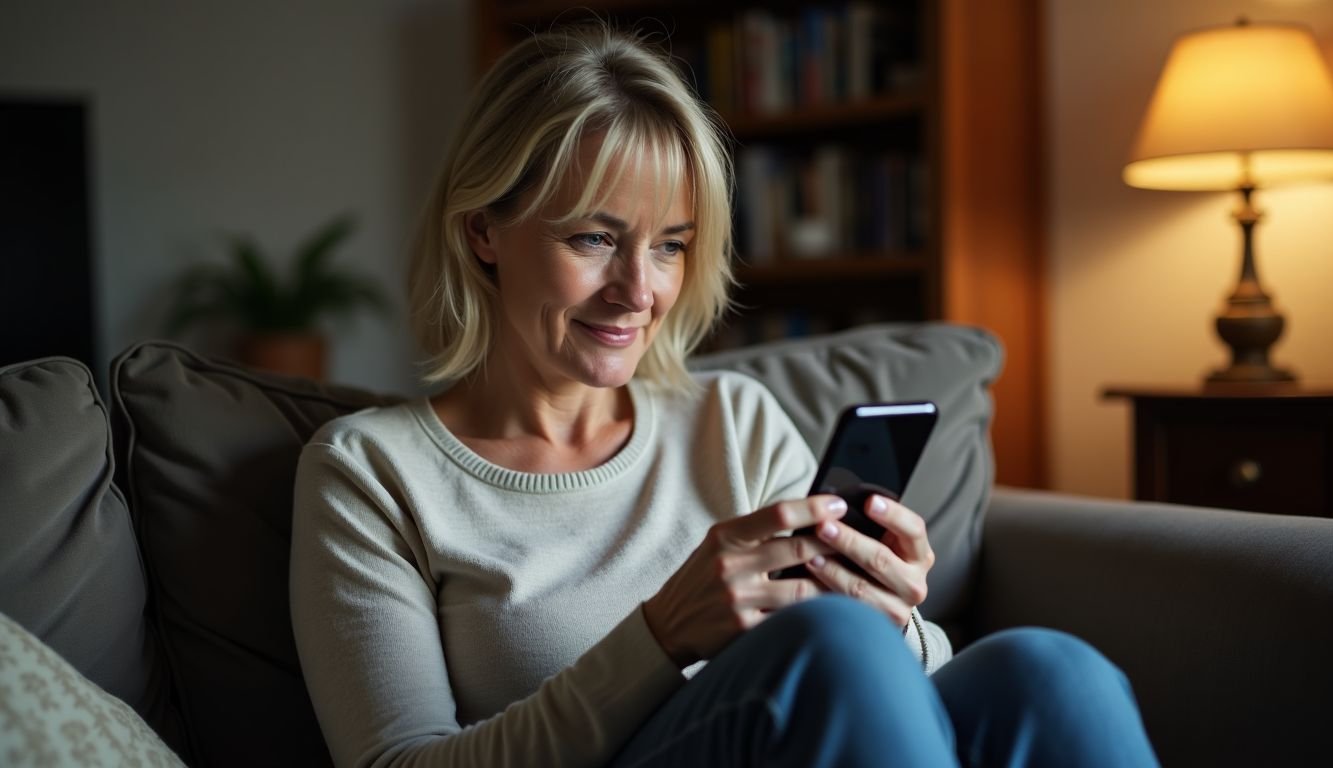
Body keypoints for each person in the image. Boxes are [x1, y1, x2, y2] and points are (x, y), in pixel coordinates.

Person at [289, 22, 1159, 768]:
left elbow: (905, 684)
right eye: (595, 237)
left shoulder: (729, 419)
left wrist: (894, 617)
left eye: (670, 245)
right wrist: (663, 634)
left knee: (1051, 672)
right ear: (483, 230)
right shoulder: (372, 470)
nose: (640, 291)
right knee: (832, 647)